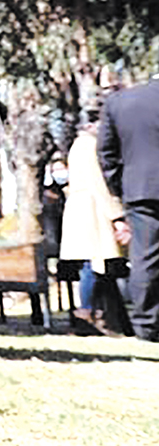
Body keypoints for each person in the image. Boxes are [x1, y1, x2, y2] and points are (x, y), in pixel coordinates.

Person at [60, 104, 131, 336]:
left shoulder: (79, 145)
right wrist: (117, 214)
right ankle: (87, 311)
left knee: (97, 265)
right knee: (95, 263)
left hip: (85, 207)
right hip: (92, 209)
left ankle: (107, 316)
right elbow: (99, 184)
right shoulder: (89, 146)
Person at [97, 78, 159, 343]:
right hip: (139, 188)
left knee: (145, 257)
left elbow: (106, 152)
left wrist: (120, 189)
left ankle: (147, 327)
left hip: (140, 189)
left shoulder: (120, 101)